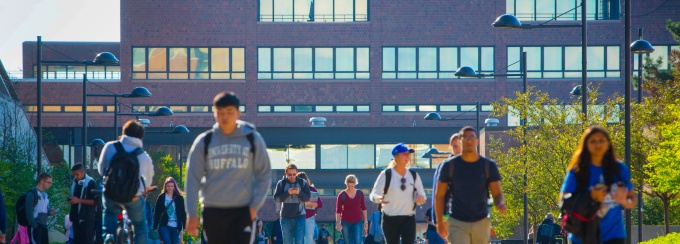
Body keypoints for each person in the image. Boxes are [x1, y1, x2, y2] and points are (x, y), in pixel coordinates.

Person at [185, 91, 272, 243]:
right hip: (213, 210)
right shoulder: (204, 142)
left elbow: (264, 174)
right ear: (214, 113)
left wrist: (254, 207)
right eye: (220, 112)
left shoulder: (252, 139)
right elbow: (193, 178)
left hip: (243, 210)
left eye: (229, 112)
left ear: (238, 113)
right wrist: (192, 213)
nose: (225, 117)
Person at [560, 126, 636, 244]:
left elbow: (632, 198)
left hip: (614, 235)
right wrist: (590, 195)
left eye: (601, 140)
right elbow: (563, 201)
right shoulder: (577, 171)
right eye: (593, 141)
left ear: (608, 143)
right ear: (586, 145)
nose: (598, 145)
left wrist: (625, 202)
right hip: (583, 235)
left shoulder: (619, 169)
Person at [434, 126, 507, 244]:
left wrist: (500, 203)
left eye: (472, 137)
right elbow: (439, 195)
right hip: (457, 221)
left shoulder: (488, 166)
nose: (468, 140)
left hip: (481, 221)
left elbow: (497, 193)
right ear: (460, 141)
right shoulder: (449, 166)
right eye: (465, 137)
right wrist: (440, 221)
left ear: (477, 141)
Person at [98, 120, 155, 243]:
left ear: (124, 132)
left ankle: (109, 236)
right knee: (140, 225)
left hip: (112, 193)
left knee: (109, 212)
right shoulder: (144, 156)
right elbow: (148, 182)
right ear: (141, 137)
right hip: (133, 197)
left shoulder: (110, 146)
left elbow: (101, 169)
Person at [369, 143, 427, 244]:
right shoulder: (386, 174)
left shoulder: (413, 175)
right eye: (404, 154)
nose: (408, 156)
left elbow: (422, 196)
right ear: (396, 156)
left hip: (408, 218)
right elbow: (373, 194)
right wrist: (378, 198)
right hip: (390, 218)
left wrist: (421, 199)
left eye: (408, 154)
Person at [273, 163, 311, 244]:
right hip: (285, 218)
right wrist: (287, 193)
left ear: (297, 173)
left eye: (294, 174)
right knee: (287, 241)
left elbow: (307, 197)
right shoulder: (281, 183)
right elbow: (276, 198)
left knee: (299, 241)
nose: (292, 176)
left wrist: (299, 192)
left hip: (300, 216)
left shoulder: (303, 183)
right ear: (286, 173)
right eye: (290, 174)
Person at [68, 163, 97, 244]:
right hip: (76, 219)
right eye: (74, 175)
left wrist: (79, 200)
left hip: (86, 219)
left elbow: (95, 201)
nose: (75, 177)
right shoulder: (75, 182)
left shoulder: (90, 183)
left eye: (77, 174)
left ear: (83, 172)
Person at [25, 173, 57, 244]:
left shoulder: (46, 195)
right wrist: (33, 225)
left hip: (44, 226)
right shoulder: (32, 194)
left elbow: (42, 209)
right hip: (35, 226)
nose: (50, 185)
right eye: (49, 182)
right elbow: (29, 211)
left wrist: (49, 212)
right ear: (42, 181)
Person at [336, 174, 368, 244]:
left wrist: (365, 221)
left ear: (355, 184)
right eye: (348, 186)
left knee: (358, 241)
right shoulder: (342, 195)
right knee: (347, 242)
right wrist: (338, 222)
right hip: (345, 222)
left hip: (357, 221)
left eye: (352, 186)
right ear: (346, 184)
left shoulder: (360, 193)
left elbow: (363, 208)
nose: (350, 188)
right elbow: (338, 210)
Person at [153, 177, 186, 244]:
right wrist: (155, 226)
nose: (170, 188)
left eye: (171, 186)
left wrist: (184, 225)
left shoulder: (179, 198)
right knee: (167, 242)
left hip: (176, 226)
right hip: (165, 225)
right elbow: (157, 213)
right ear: (165, 186)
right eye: (168, 186)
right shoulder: (161, 197)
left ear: (174, 187)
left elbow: (183, 212)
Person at [296, 172, 322, 244]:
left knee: (309, 238)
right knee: (298, 238)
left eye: (305, 180)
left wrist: (310, 204)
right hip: (297, 217)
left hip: (309, 216)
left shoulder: (312, 189)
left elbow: (320, 204)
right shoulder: (295, 190)